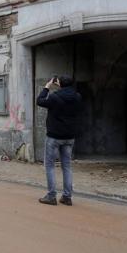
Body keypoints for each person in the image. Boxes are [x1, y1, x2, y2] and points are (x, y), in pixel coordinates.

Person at [36, 75, 82, 206]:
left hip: (54, 136)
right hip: (70, 137)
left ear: (59, 84)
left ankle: (51, 196)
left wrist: (47, 87)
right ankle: (67, 196)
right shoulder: (78, 97)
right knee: (67, 166)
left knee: (50, 166)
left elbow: (39, 101)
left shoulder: (55, 97)